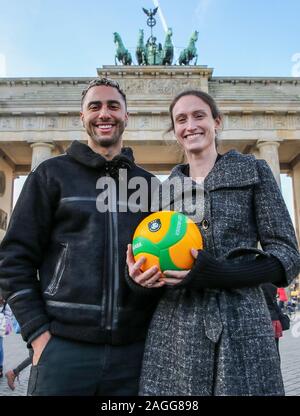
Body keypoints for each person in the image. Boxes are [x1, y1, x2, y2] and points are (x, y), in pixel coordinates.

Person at [126, 89, 300, 396]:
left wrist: (220, 273)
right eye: (181, 119)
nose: (190, 125)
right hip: (175, 333)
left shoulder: (253, 171)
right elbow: (156, 259)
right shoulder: (164, 192)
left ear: (216, 122)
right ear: (175, 131)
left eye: (199, 116)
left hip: (244, 326)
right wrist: (140, 278)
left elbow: (287, 256)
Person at [0, 78, 160, 396]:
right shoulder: (50, 175)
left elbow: (166, 259)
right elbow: (12, 259)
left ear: (127, 116)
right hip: (63, 350)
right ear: (82, 116)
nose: (104, 113)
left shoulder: (150, 185)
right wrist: (38, 335)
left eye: (113, 106)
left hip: (133, 353)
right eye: (95, 106)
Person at [261, 283, 283, 358]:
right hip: (274, 319)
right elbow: (274, 302)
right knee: (276, 348)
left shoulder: (258, 285)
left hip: (263, 319)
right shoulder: (273, 286)